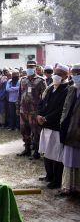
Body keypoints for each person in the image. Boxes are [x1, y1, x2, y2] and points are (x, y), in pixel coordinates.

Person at [38, 64, 70, 189]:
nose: (56, 75)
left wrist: (46, 118)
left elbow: (61, 109)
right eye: (55, 73)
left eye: (60, 74)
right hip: (45, 125)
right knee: (47, 152)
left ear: (66, 75)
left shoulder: (67, 89)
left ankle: (57, 180)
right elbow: (42, 102)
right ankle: (49, 175)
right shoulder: (51, 88)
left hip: (56, 127)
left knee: (56, 154)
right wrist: (39, 115)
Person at [17, 61, 47, 159]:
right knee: (24, 130)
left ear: (35, 67)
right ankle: (27, 149)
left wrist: (42, 111)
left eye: (31, 67)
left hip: (34, 111)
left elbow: (45, 97)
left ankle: (37, 151)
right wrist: (17, 107)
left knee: (36, 131)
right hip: (23, 110)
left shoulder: (41, 80)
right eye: (28, 66)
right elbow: (19, 94)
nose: (29, 68)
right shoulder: (23, 80)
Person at [59, 63, 80, 196]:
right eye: (75, 73)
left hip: (78, 131)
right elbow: (65, 108)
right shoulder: (71, 89)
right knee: (68, 159)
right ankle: (68, 187)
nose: (76, 76)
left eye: (79, 73)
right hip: (69, 129)